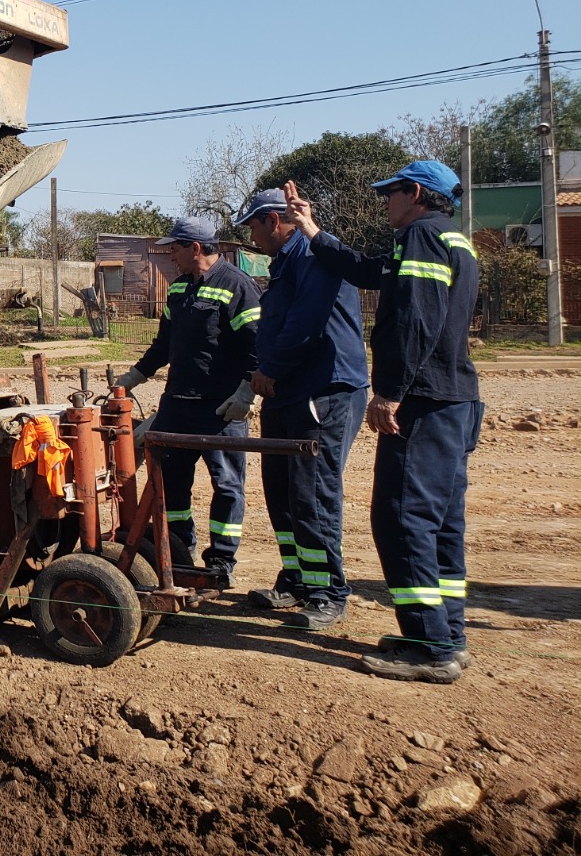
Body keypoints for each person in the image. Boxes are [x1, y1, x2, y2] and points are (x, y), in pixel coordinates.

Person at [283, 161, 482, 684]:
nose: (383, 202)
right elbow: (369, 271)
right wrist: (312, 230)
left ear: (414, 192)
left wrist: (390, 393)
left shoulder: (419, 235)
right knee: (440, 521)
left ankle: (428, 645)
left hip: (423, 399)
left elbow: (416, 319)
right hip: (456, 399)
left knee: (401, 518)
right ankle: (446, 634)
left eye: (388, 192)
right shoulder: (450, 238)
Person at [235, 188, 369, 632]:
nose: (251, 235)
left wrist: (269, 369)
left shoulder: (312, 255)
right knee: (283, 493)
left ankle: (328, 592)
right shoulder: (285, 262)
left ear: (274, 221)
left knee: (313, 494)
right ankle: (298, 580)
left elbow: (304, 323)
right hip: (286, 392)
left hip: (323, 392)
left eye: (253, 226)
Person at [115, 216, 260, 585]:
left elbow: (259, 345)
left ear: (195, 248)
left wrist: (247, 391)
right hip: (177, 405)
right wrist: (135, 375)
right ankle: (179, 550)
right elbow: (164, 345)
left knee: (226, 485)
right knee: (170, 482)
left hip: (220, 410)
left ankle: (221, 561)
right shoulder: (179, 290)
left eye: (175, 248)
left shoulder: (237, 286)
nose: (171, 256)